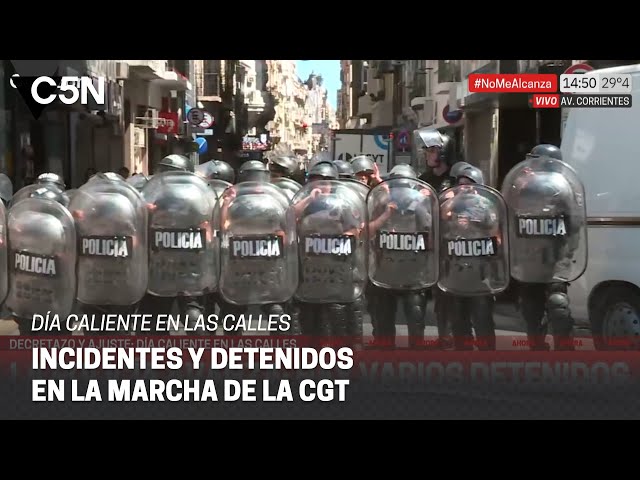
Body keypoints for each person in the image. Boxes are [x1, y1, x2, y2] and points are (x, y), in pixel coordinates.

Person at [502, 144, 582, 351]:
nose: (530, 165)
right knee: (530, 307)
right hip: (529, 256)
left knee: (558, 303)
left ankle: (565, 348)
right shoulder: (522, 186)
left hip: (555, 255)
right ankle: (536, 346)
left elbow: (574, 223)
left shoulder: (564, 187)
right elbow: (509, 216)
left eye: (535, 159)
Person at [413, 127, 457, 348]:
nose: (427, 154)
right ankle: (444, 336)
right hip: (431, 244)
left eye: (431, 150)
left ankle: (462, 338)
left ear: (444, 152)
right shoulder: (424, 180)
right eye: (426, 150)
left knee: (457, 294)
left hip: (456, 245)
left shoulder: (457, 179)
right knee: (438, 294)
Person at [446, 166, 497, 350]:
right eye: (461, 185)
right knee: (458, 318)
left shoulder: (486, 205)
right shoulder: (452, 205)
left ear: (477, 187)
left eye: (468, 185)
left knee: (482, 316)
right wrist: (449, 206)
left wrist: (472, 222)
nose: (464, 189)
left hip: (480, 270)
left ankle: (487, 356)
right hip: (457, 268)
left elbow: (494, 229)